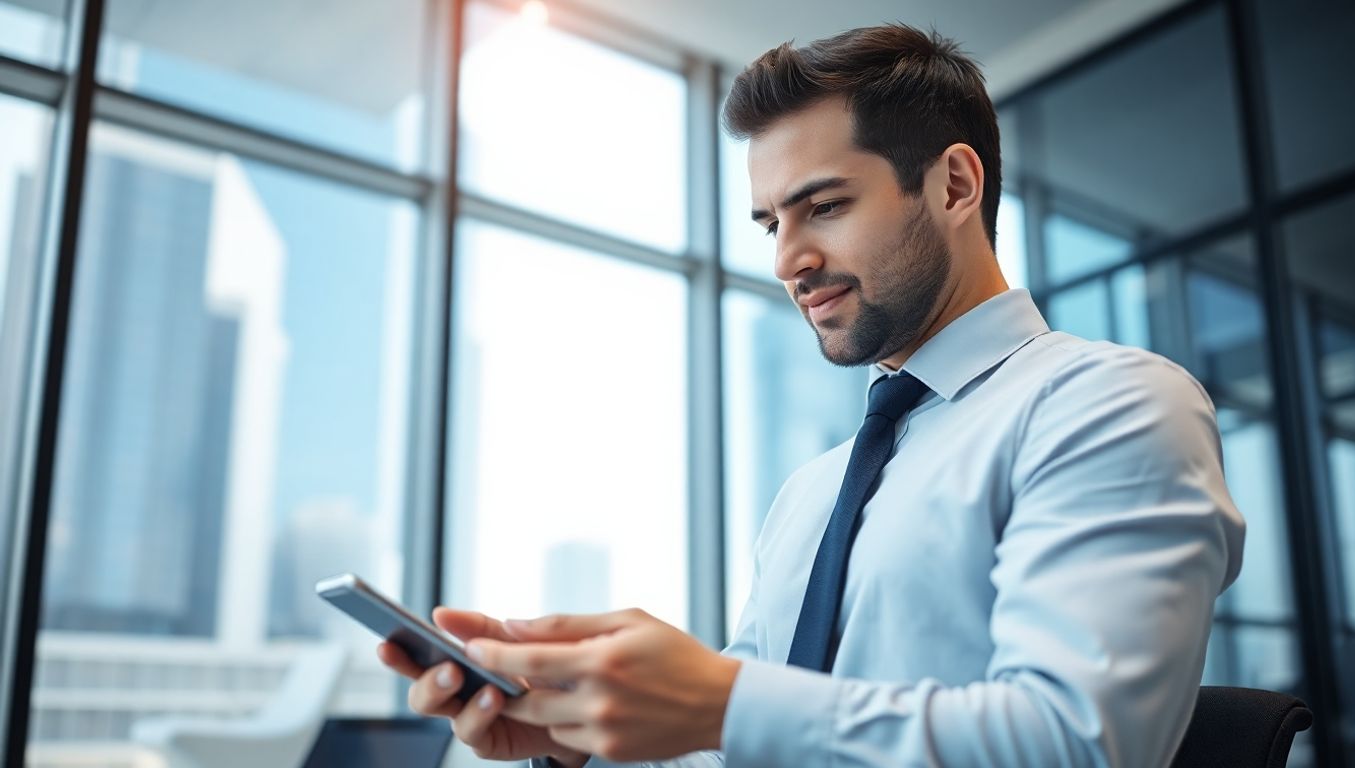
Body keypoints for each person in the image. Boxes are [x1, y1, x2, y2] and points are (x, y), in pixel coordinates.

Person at [379, 23, 1245, 767]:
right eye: (770, 223)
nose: (787, 260)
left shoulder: (1111, 406)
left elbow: (1078, 744)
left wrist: (722, 698)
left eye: (822, 207)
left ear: (954, 186)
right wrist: (579, 744)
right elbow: (748, 747)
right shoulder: (813, 493)